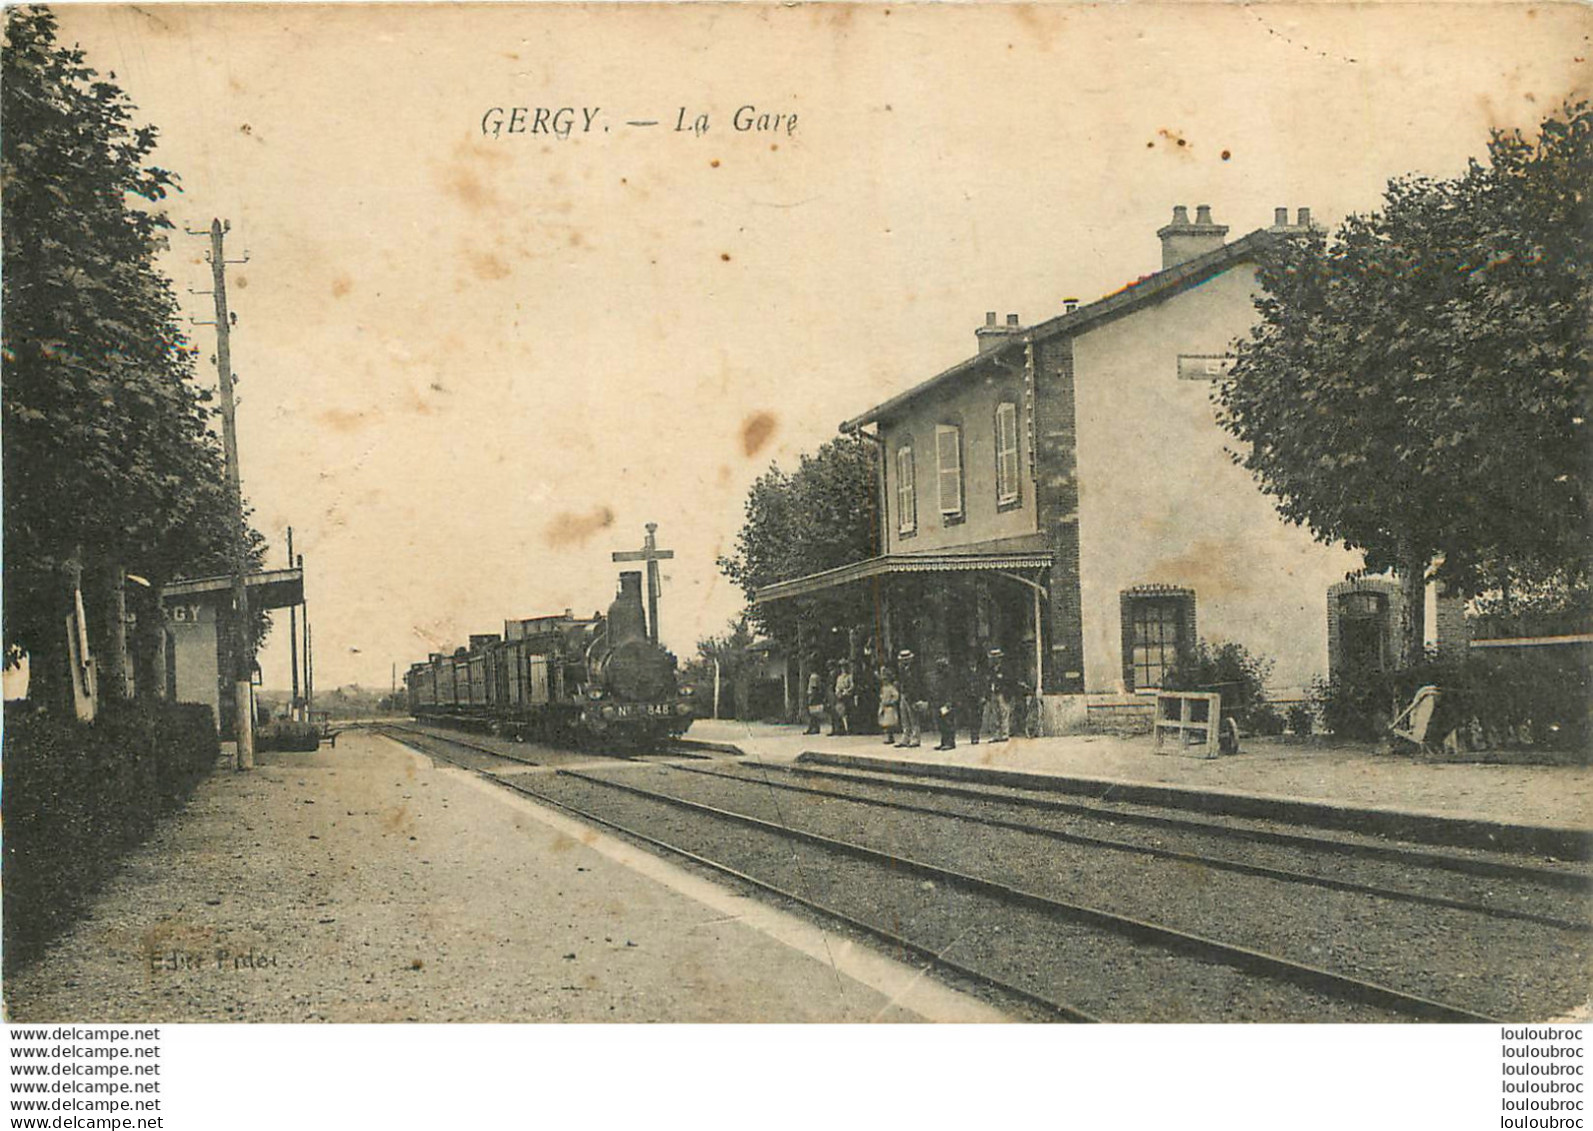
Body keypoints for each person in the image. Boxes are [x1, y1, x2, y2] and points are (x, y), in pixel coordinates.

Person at [896, 650, 925, 749]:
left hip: (912, 695)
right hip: (904, 694)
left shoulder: (914, 670)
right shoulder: (902, 670)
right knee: (904, 717)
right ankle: (905, 738)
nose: (903, 662)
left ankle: (916, 738)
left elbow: (917, 684)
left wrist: (916, 697)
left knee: (913, 718)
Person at [930, 655, 958, 751]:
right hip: (939, 702)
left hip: (946, 703)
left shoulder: (949, 677)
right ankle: (944, 741)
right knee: (941, 722)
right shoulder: (939, 677)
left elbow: (951, 690)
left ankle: (950, 742)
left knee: (948, 721)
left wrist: (949, 702)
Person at [985, 648, 1012, 742]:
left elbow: (1008, 681)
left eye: (996, 658)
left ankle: (1005, 734)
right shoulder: (991, 669)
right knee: (994, 714)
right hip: (994, 693)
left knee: (1004, 713)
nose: (994, 660)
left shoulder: (1005, 669)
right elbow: (988, 681)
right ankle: (996, 735)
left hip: (1002, 693)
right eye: (993, 658)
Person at [877, 667, 900, 744]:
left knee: (889, 723)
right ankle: (888, 737)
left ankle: (891, 737)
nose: (884, 681)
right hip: (884, 706)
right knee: (885, 723)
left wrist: (892, 701)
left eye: (886, 680)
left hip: (889, 706)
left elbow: (896, 696)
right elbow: (881, 696)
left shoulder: (891, 688)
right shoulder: (883, 688)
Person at [832, 660, 854, 736]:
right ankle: (840, 729)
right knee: (839, 712)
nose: (843, 668)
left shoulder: (849, 676)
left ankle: (848, 729)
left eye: (844, 667)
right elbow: (837, 686)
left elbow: (852, 686)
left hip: (847, 695)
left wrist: (846, 691)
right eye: (842, 667)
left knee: (846, 713)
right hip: (840, 695)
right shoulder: (839, 677)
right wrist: (838, 692)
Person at [804, 663, 824, 735]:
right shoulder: (816, 676)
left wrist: (811, 697)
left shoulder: (813, 677)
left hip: (813, 695)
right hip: (815, 695)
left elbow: (814, 688)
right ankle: (814, 727)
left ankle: (813, 727)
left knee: (813, 713)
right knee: (814, 712)